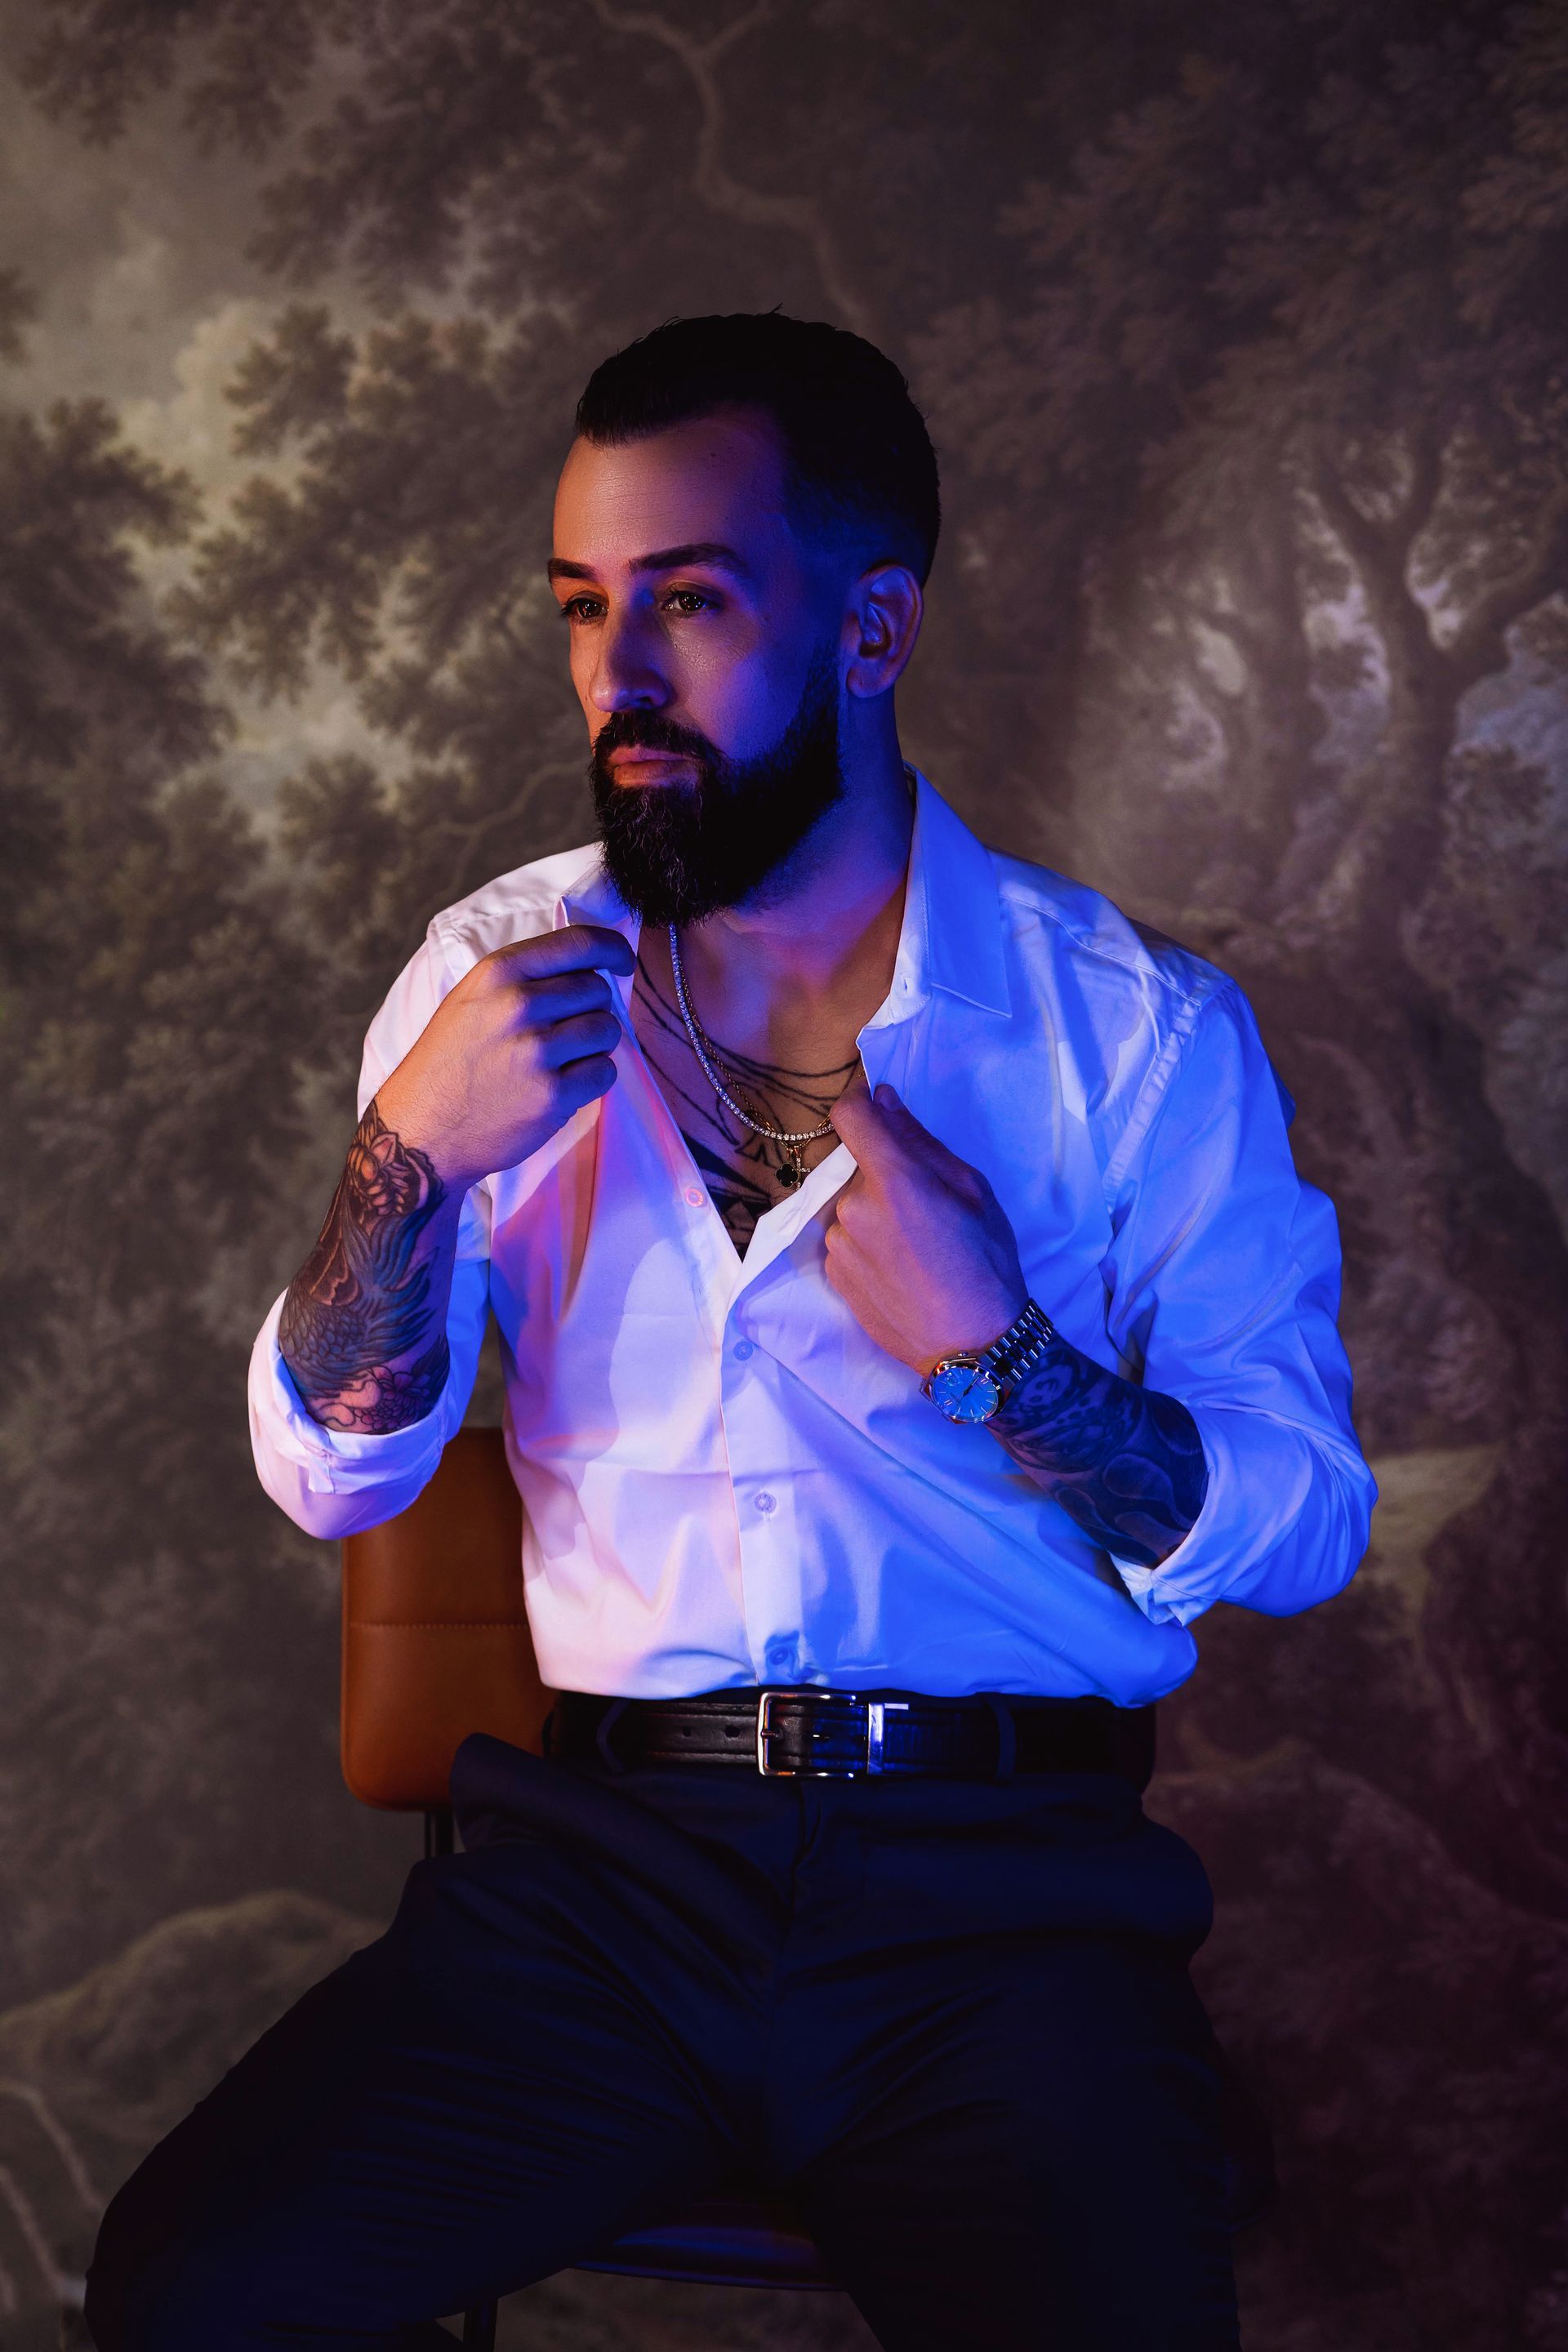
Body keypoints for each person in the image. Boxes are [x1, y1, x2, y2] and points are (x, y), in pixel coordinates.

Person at [86, 312, 1374, 2351]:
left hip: (1007, 1907)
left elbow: (1305, 1519)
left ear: (873, 629)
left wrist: (1005, 1364)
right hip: (598, 1887)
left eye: (691, 604)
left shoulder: (1132, 1029)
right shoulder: (486, 977)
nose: (622, 680)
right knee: (195, 2296)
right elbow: (331, 1462)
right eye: (586, 609)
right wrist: (404, 1166)